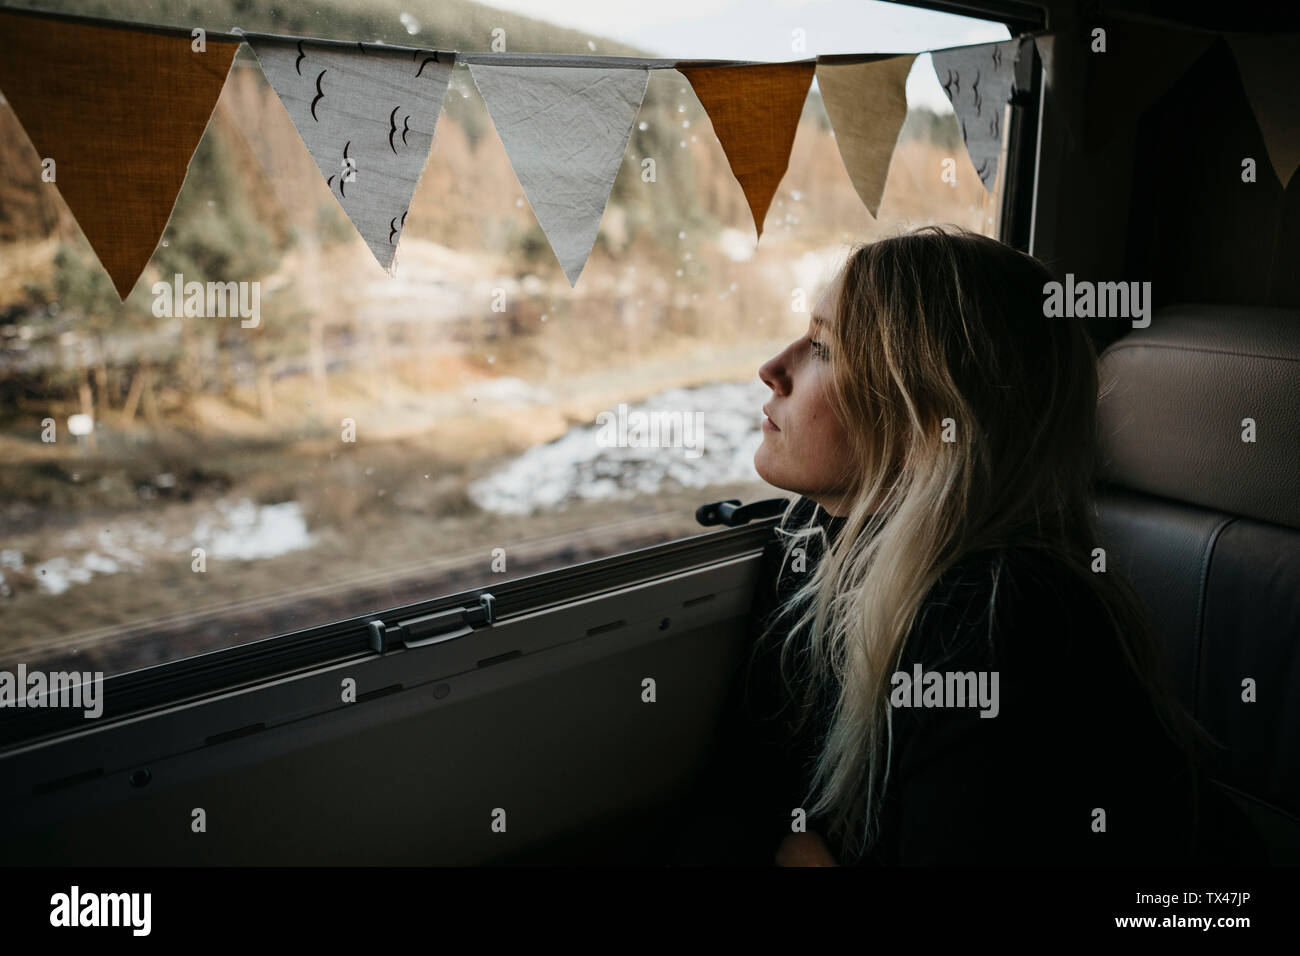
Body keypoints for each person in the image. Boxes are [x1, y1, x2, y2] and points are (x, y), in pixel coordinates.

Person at [671, 225, 1266, 866]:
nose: (772, 369)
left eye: (822, 346)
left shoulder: (997, 615)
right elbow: (746, 792)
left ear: (928, 416)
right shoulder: (805, 543)